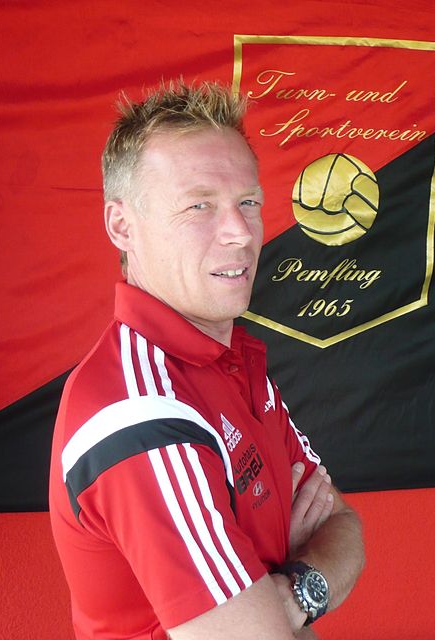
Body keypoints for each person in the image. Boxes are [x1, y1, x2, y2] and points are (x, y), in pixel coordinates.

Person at [49, 80, 364, 640]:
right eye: (199, 205)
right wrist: (301, 583)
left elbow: (344, 524)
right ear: (122, 226)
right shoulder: (138, 409)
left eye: (249, 202)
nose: (240, 233)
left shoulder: (233, 361)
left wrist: (292, 595)